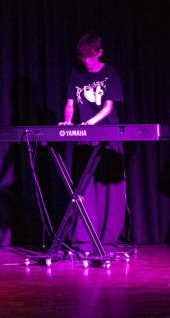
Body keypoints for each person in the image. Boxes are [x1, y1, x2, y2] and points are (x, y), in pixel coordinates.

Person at [59, 33, 126, 253]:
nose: (86, 61)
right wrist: (68, 122)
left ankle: (107, 243)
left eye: (90, 56)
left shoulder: (110, 73)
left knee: (109, 190)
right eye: (83, 57)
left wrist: (90, 123)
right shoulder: (76, 73)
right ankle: (84, 242)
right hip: (84, 137)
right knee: (84, 189)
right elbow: (70, 103)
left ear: (99, 53)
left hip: (108, 136)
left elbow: (108, 107)